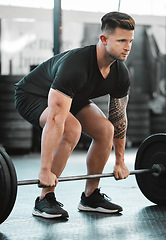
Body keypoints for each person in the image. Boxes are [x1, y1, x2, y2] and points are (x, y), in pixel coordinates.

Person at [15, 11, 135, 219]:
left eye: (131, 41)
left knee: (106, 129)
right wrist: (45, 170)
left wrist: (120, 161)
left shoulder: (120, 73)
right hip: (34, 95)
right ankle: (44, 198)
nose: (128, 47)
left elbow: (118, 117)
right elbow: (54, 119)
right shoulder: (76, 66)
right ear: (103, 39)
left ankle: (90, 196)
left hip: (71, 97)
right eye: (122, 40)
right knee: (71, 129)